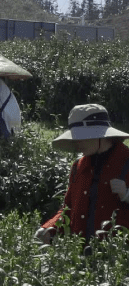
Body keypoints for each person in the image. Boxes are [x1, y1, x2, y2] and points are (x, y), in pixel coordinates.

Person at [36, 104, 129, 245]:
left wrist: (127, 195)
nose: (76, 142)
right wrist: (50, 228)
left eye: (81, 137)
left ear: (100, 134)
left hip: (117, 258)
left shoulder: (126, 161)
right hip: (81, 256)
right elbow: (68, 208)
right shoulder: (78, 166)